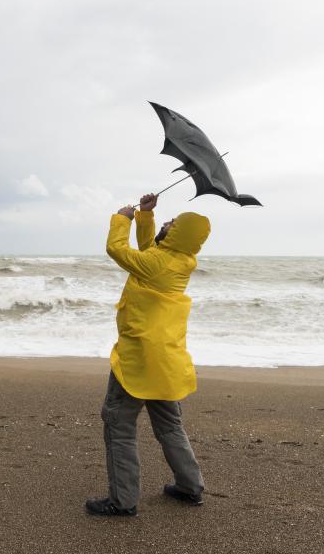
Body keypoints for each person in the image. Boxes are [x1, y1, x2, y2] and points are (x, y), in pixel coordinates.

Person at [85, 192, 211, 517]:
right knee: (170, 425)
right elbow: (150, 251)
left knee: (118, 422)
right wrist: (146, 216)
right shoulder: (177, 260)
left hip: (139, 359)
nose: (169, 222)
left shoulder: (157, 264)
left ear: (179, 235)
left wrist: (122, 218)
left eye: (173, 223)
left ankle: (122, 500)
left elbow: (117, 249)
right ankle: (190, 487)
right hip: (166, 362)